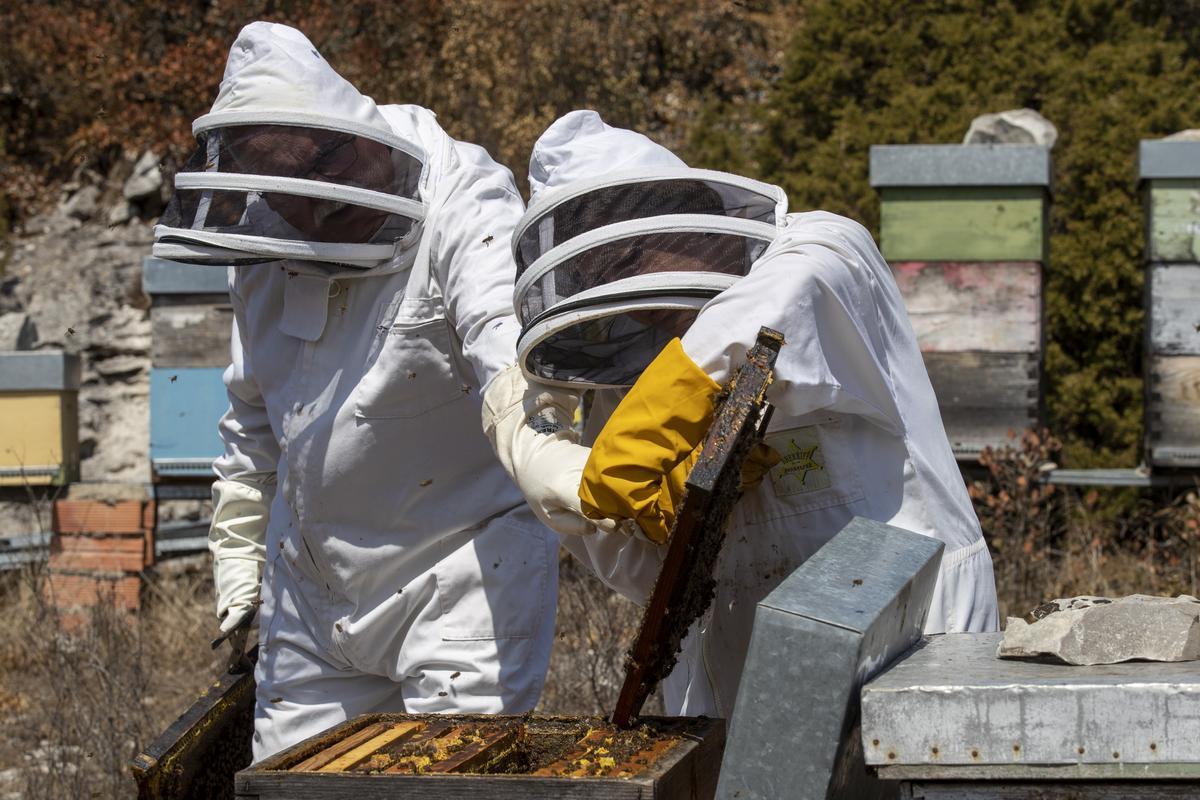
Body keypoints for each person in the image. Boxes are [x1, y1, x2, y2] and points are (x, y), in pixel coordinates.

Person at [482, 110, 999, 719]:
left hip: (910, 625)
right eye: (601, 275)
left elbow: (777, 305)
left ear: (690, 213)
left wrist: (656, 417)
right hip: (735, 650)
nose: (628, 295)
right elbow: (635, 563)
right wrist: (649, 525)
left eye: (631, 258)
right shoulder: (621, 373)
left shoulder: (824, 246)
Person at [153, 22, 557, 760]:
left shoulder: (465, 198)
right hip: (311, 594)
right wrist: (240, 553)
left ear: (352, 124)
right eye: (290, 191)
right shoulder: (269, 243)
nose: (322, 201)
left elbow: (507, 353)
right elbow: (251, 419)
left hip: (459, 579)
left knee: (448, 785)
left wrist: (556, 464)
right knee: (289, 782)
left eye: (329, 163)